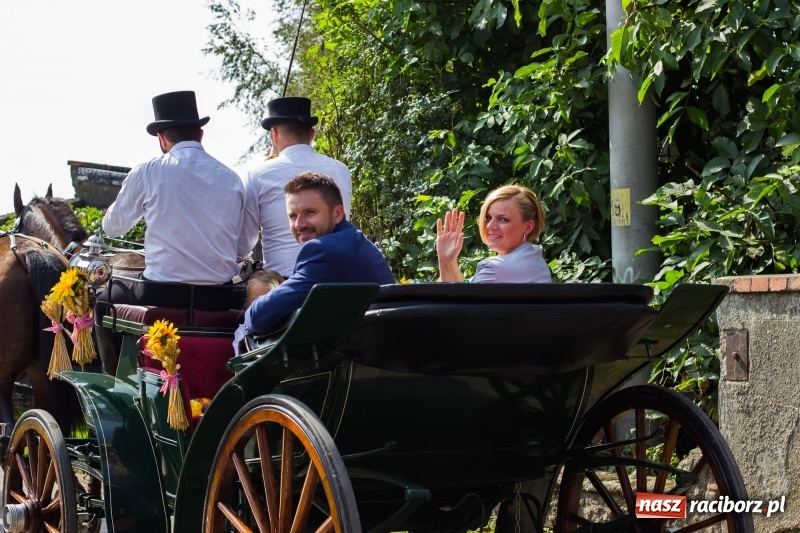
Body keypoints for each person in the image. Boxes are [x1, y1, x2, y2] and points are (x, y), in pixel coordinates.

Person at [96, 90, 246, 374]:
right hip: (218, 297)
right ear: (200, 134)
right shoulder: (232, 178)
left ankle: (112, 376)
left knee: (103, 300)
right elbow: (243, 248)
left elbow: (113, 227)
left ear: (162, 138)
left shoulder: (148, 172)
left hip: (162, 294)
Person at [237, 171, 394, 343]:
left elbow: (259, 316)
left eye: (310, 212)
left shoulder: (321, 250)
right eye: (293, 216)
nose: (299, 224)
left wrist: (252, 310)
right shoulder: (357, 241)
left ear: (337, 214)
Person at [237, 97, 353, 278]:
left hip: (282, 281)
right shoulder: (342, 170)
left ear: (274, 134)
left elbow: (243, 244)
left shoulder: (257, 174)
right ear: (312, 134)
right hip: (336, 280)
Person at [435, 184, 551, 283]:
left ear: (528, 227)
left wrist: (446, 262)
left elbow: (455, 300)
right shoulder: (537, 261)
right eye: (488, 217)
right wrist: (447, 260)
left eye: (503, 219)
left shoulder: (493, 269)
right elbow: (462, 292)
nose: (490, 226)